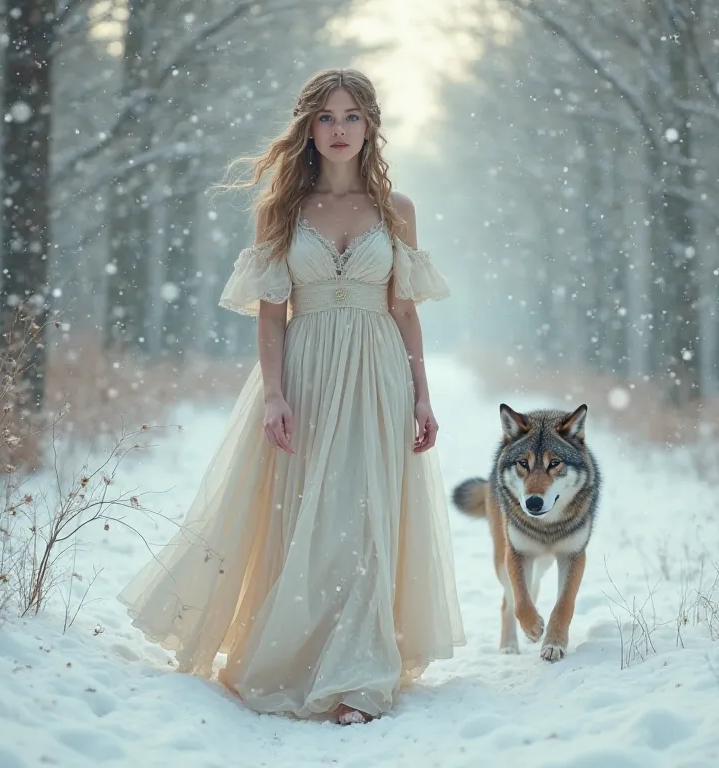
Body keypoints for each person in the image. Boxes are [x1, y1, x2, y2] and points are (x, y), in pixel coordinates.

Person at [117, 68, 465, 726]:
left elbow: (406, 311)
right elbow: (270, 314)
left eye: (352, 116)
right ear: (309, 126)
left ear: (371, 126)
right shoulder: (281, 207)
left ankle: (360, 677)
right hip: (304, 371)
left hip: (376, 373)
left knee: (364, 515)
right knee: (305, 512)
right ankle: (300, 658)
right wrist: (273, 394)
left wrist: (422, 395)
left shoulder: (398, 211)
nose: (340, 130)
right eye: (328, 117)